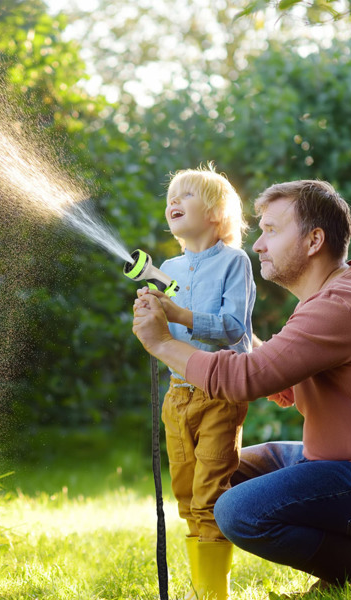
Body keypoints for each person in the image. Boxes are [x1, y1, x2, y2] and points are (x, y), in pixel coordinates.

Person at [132, 179, 351, 594]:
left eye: (271, 230)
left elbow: (243, 380)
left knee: (234, 509)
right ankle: (349, 565)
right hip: (333, 460)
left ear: (313, 241)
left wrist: (163, 342)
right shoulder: (327, 299)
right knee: (216, 470)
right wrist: (213, 325)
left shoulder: (339, 307)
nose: (258, 245)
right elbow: (281, 379)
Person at [139, 163, 255, 600]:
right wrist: (151, 310)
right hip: (177, 393)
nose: (173, 202)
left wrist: (178, 314)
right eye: (171, 196)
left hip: (220, 393)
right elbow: (163, 331)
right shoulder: (166, 266)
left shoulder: (234, 262)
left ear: (216, 213)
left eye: (186, 195)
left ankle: (213, 594)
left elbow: (233, 327)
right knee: (186, 490)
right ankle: (203, 587)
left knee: (210, 490)